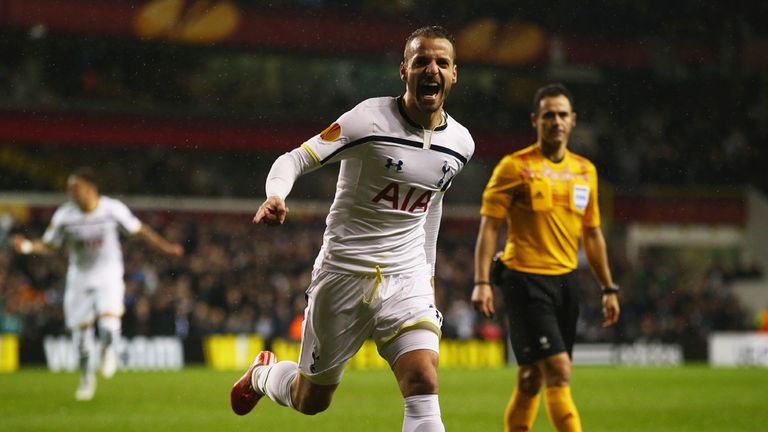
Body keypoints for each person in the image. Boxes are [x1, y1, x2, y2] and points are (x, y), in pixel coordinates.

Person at [230, 25, 474, 432]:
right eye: (421, 62)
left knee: (423, 380)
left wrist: (427, 273)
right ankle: (262, 374)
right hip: (344, 273)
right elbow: (295, 159)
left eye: (441, 62)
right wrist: (276, 194)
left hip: (406, 277)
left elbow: (431, 206)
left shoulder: (460, 144)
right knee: (311, 400)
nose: (431, 69)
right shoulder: (368, 120)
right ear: (404, 71)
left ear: (453, 74)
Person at [471, 83, 620, 432]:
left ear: (573, 121)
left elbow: (593, 234)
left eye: (562, 115)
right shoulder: (514, 167)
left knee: (530, 378)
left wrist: (608, 287)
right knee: (559, 371)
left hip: (566, 283)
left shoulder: (586, 171)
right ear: (536, 120)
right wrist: (481, 282)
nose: (556, 121)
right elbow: (489, 228)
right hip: (524, 280)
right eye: (549, 115)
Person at [12, 167, 184, 401]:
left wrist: (166, 248)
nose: (71, 193)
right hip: (79, 278)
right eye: (69, 189)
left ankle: (107, 349)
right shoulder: (65, 215)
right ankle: (86, 380)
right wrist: (28, 247)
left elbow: (139, 230)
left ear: (91, 189)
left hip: (109, 275)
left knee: (109, 327)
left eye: (76, 188)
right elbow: (50, 245)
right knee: (81, 340)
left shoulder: (112, 209)